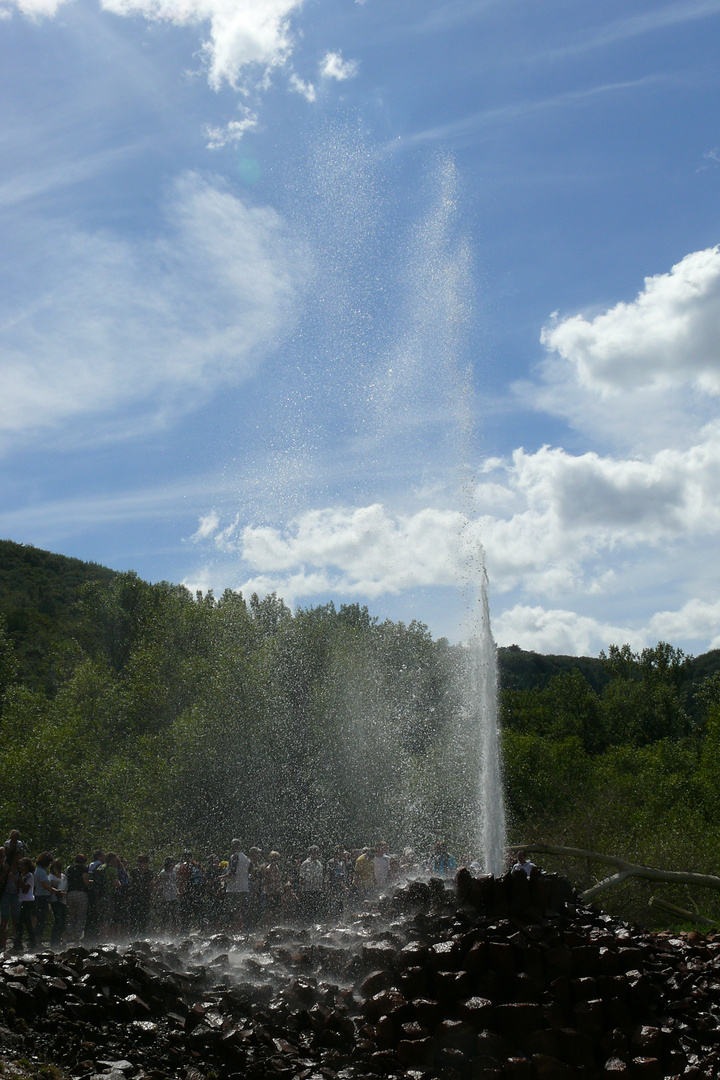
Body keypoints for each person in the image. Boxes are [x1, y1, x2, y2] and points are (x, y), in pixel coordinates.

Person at [223, 841, 250, 932]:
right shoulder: (246, 858)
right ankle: (242, 930)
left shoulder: (234, 856)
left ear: (233, 847)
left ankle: (234, 930)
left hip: (234, 889)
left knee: (233, 911)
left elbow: (232, 874)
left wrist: (222, 877)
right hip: (244, 888)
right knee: (242, 911)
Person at [65, 854, 91, 943]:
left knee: (71, 917)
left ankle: (68, 935)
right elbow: (85, 881)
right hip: (81, 893)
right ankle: (77, 938)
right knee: (81, 917)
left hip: (70, 893)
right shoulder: (84, 869)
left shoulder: (69, 869)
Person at [0, 847, 20, 953]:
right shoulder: (4, 866)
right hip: (6, 894)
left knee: (16, 920)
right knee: (4, 920)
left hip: (16, 894)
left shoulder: (20, 867)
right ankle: (3, 945)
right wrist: (5, 872)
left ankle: (17, 943)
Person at [14, 857, 37, 951]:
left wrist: (19, 881)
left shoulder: (29, 876)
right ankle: (32, 943)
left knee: (20, 923)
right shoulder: (22, 875)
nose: (19, 867)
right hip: (23, 900)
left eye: (21, 865)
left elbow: (25, 889)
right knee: (27, 924)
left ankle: (17, 945)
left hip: (27, 901)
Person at [298, 845, 324, 921]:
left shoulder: (319, 864)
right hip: (307, 890)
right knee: (308, 909)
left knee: (316, 909)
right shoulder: (305, 864)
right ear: (311, 853)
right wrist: (301, 890)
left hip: (317, 889)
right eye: (316, 852)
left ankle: (315, 925)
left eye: (318, 852)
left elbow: (321, 877)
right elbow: (302, 877)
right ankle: (307, 925)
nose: (317, 854)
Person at [129, 855, 154, 936]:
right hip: (135, 897)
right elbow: (131, 884)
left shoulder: (149, 873)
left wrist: (151, 898)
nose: (139, 864)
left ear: (145, 863)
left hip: (145, 897)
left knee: (144, 920)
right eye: (138, 862)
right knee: (133, 919)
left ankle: (142, 938)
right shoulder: (134, 872)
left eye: (141, 862)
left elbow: (151, 886)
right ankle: (132, 939)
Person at [33, 852, 54, 943]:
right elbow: (44, 885)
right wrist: (55, 890)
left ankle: (36, 940)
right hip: (42, 897)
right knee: (41, 920)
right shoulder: (41, 871)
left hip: (39, 896)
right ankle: (37, 940)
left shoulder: (39, 870)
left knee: (41, 919)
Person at [156, 856, 179, 933]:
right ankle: (163, 930)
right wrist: (160, 894)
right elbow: (158, 884)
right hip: (165, 895)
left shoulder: (175, 871)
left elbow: (176, 882)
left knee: (174, 914)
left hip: (174, 895)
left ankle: (174, 930)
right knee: (165, 914)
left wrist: (177, 891)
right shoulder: (163, 873)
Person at [48, 858, 67, 948]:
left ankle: (58, 939)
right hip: (55, 900)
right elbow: (49, 888)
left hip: (63, 900)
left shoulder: (63, 876)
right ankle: (53, 941)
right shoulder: (51, 877)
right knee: (58, 920)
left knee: (63, 921)